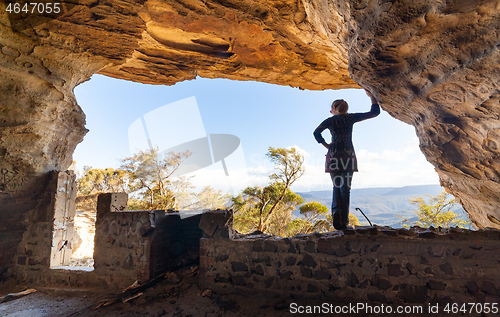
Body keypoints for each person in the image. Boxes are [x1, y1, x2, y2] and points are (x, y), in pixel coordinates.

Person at [313, 90, 380, 230]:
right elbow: (374, 113)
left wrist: (327, 146)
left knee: (336, 186)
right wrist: (372, 97)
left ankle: (336, 215)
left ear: (333, 110)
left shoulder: (330, 121)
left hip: (334, 156)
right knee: (346, 189)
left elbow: (316, 132)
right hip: (348, 156)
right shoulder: (350, 118)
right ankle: (344, 221)